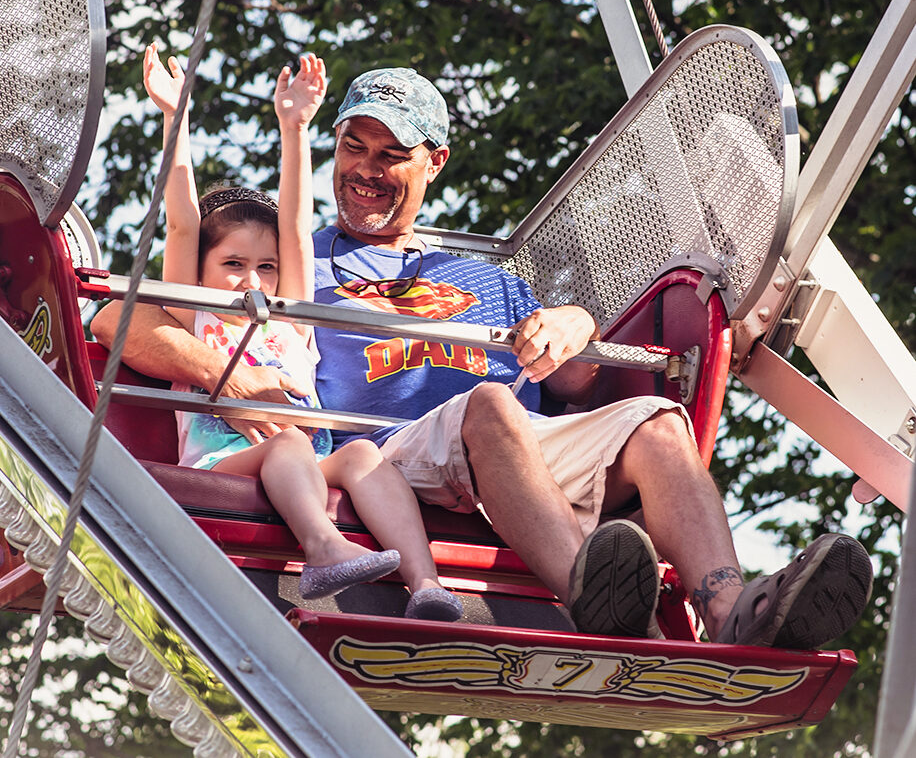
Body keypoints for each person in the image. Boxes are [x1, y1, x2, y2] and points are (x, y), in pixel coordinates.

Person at [94, 64, 873, 646]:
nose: (365, 170)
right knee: (489, 406)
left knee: (659, 422)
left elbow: (573, 377)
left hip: (520, 454)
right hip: (395, 452)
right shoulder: (292, 260)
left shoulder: (490, 280)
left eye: (390, 154)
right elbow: (115, 322)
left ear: (433, 163)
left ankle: (732, 611)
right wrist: (227, 381)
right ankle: (595, 594)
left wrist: (570, 321)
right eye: (352, 147)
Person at [139, 45, 461, 620]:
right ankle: (323, 548)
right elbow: (184, 219)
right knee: (285, 442)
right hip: (226, 462)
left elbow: (293, 222)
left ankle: (425, 583)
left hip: (309, 460)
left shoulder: (290, 320)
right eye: (233, 264)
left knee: (363, 452)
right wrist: (174, 118)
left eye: (265, 267)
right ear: (202, 273)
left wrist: (295, 129)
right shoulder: (199, 315)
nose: (251, 279)